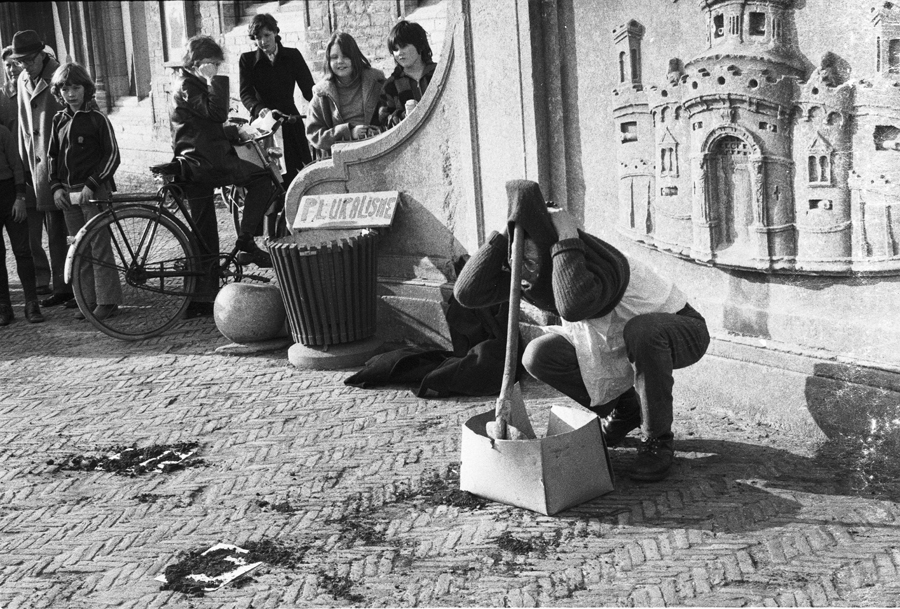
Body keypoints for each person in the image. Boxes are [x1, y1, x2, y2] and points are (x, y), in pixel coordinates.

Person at [454, 180, 710, 482]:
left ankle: (657, 440)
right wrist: (506, 231)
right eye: (518, 262)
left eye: (532, 261)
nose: (525, 272)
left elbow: (573, 306)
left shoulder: (596, 264)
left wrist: (566, 234)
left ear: (554, 253)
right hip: (610, 342)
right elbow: (466, 294)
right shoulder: (535, 275)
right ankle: (624, 409)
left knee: (643, 332)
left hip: (679, 329)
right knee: (537, 355)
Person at [169, 35, 277, 318]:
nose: (216, 68)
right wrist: (212, 81)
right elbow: (215, 113)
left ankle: (201, 299)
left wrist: (237, 131)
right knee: (262, 180)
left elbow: (199, 124)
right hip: (204, 162)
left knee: (204, 232)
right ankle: (246, 243)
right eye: (213, 63)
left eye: (217, 65)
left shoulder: (185, 83)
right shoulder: (188, 84)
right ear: (200, 63)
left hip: (198, 159)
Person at [48, 62, 122, 321]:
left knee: (99, 246)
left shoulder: (97, 119)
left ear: (86, 89)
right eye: (65, 89)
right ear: (59, 92)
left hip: (93, 192)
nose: (71, 94)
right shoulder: (59, 120)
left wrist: (93, 183)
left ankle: (108, 301)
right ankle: (87, 300)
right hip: (68, 195)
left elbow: (112, 155)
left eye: (76, 87)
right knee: (78, 248)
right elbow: (52, 157)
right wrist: (56, 187)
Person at [239, 13, 315, 237]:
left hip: (289, 121)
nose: (263, 41)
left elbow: (309, 89)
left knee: (296, 173)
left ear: (275, 33)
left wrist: (323, 104)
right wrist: (258, 108)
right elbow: (245, 93)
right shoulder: (247, 60)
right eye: (258, 37)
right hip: (266, 125)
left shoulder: (291, 56)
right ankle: (269, 234)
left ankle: (295, 230)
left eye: (266, 35)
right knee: (271, 180)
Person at [10, 31, 71, 308]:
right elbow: (24, 123)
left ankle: (69, 286)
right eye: (20, 61)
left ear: (41, 56)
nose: (24, 66)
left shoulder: (60, 75)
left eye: (28, 61)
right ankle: (52, 284)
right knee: (40, 226)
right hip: (32, 165)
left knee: (61, 226)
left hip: (56, 163)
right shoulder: (24, 78)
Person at [2, 46, 52, 297]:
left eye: (16, 63)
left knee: (54, 229)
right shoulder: (5, 94)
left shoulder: (34, 84)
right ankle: (41, 279)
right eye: (8, 65)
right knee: (31, 235)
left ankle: (63, 283)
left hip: (41, 166)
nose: (13, 69)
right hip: (21, 171)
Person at [306, 32, 384, 155]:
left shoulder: (376, 83)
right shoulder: (322, 94)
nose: (340, 61)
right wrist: (347, 132)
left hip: (377, 150)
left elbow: (388, 116)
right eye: (334, 57)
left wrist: (376, 131)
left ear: (355, 57)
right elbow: (314, 135)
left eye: (346, 56)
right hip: (340, 158)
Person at [0, 114, 44, 325]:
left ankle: (31, 303)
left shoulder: (3, 133)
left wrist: (19, 198)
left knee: (22, 251)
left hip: (9, 196)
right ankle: (4, 306)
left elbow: (17, 166)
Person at [378, 20, 437, 129]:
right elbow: (383, 120)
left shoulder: (437, 73)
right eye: (395, 49)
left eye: (404, 46)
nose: (399, 53)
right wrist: (403, 116)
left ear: (420, 45)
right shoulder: (390, 85)